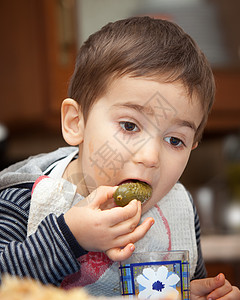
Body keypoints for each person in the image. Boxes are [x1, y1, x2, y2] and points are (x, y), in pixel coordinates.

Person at [0, 16, 239, 299]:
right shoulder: (25, 199)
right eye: (129, 126)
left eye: (175, 140)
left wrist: (189, 294)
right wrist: (69, 236)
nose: (150, 157)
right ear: (76, 123)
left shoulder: (179, 210)